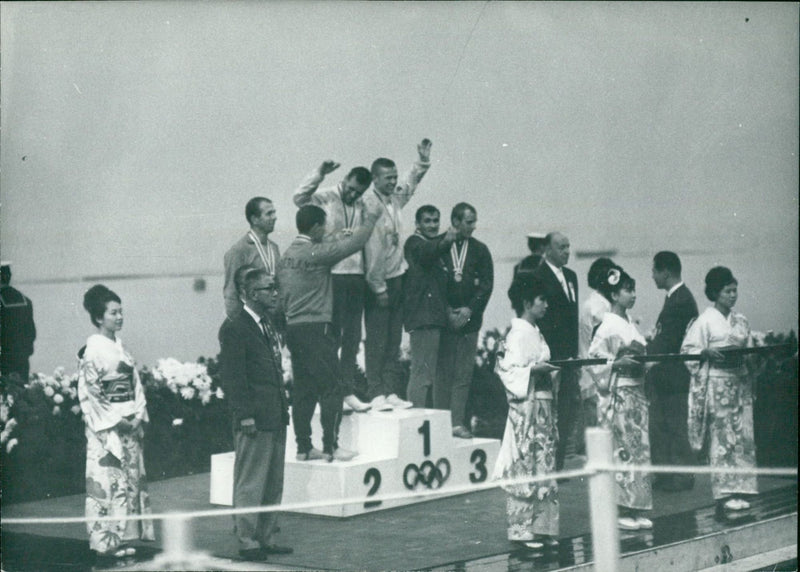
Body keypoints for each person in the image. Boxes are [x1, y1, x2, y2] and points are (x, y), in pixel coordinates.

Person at [278, 202, 382, 461]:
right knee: (332, 387)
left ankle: (303, 448)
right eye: (323, 225)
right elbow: (353, 245)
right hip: (317, 328)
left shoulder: (287, 255)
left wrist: (334, 236)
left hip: (294, 328)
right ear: (315, 227)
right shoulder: (315, 253)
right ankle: (331, 446)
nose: (326, 229)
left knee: (303, 389)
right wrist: (369, 220)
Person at [218, 267, 292, 561]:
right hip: (255, 419)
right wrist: (245, 414)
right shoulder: (235, 327)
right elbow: (233, 377)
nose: (274, 293)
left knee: (273, 481)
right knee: (251, 481)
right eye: (267, 289)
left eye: (274, 287)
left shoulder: (267, 323)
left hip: (274, 415)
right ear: (249, 294)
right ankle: (247, 538)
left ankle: (267, 535)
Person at [77, 285, 154, 560]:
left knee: (128, 482)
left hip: (128, 421)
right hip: (107, 428)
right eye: (113, 313)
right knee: (107, 482)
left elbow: (135, 385)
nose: (119, 317)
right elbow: (90, 391)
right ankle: (104, 543)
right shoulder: (92, 350)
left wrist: (136, 415)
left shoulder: (121, 348)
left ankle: (122, 539)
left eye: (121, 311)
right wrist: (117, 420)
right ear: (99, 318)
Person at [293, 161, 373, 413]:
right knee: (331, 338)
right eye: (350, 189)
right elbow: (299, 197)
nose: (352, 195)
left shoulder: (362, 205)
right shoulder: (326, 196)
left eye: (358, 192)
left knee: (352, 338)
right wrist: (319, 173)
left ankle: (347, 391)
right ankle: (327, 392)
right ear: (346, 179)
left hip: (356, 275)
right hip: (332, 275)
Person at [363, 139, 432, 411]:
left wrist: (421, 161)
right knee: (377, 339)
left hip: (397, 276)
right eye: (387, 178)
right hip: (376, 281)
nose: (393, 182)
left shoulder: (394, 199)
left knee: (393, 339)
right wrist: (378, 288)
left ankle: (390, 390)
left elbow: (410, 183)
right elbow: (372, 251)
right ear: (374, 179)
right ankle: (375, 392)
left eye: (394, 177)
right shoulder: (368, 204)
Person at [493, 273, 561, 551]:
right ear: (526, 302)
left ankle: (543, 527)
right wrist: (534, 370)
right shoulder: (517, 334)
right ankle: (522, 530)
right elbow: (506, 371)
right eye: (541, 299)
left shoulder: (534, 332)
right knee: (525, 465)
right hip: (526, 410)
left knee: (543, 465)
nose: (545, 305)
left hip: (541, 407)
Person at [681, 266, 757, 513]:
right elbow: (688, 351)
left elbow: (750, 348)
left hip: (739, 382)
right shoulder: (704, 322)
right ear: (715, 293)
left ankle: (742, 488)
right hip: (717, 383)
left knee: (742, 438)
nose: (733, 295)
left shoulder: (741, 320)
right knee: (722, 439)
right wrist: (704, 353)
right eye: (727, 291)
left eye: (735, 290)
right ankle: (724, 493)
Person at [588, 268, 653, 531]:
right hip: (618, 392)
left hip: (636, 392)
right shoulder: (606, 325)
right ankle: (621, 508)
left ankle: (637, 506)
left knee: (639, 450)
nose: (633, 295)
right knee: (623, 450)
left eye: (634, 289)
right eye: (628, 290)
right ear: (614, 294)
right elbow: (595, 359)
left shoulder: (630, 324)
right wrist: (617, 363)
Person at [439, 202, 494, 438]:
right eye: (469, 221)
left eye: (474, 221)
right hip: (445, 321)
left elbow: (486, 285)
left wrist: (469, 311)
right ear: (456, 221)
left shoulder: (480, 250)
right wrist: (448, 311)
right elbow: (433, 285)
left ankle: (457, 422)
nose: (473, 226)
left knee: (463, 375)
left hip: (469, 322)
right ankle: (440, 422)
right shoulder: (440, 245)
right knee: (442, 374)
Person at [648, 251, 698, 491]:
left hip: (673, 373)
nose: (652, 276)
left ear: (665, 272)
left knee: (675, 425)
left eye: (654, 271)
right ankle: (669, 472)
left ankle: (681, 475)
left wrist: (646, 352)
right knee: (666, 424)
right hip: (670, 373)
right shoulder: (679, 297)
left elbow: (668, 340)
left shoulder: (679, 301)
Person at [531, 232, 579, 470]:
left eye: (568, 246)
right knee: (549, 409)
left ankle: (559, 463)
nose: (566, 251)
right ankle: (548, 463)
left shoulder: (571, 277)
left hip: (570, 356)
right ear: (547, 250)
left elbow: (573, 317)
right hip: (551, 354)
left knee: (568, 409)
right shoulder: (538, 276)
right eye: (561, 247)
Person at [402, 205, 457, 408]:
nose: (432, 225)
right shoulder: (414, 243)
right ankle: (415, 419)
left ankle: (434, 424)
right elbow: (426, 253)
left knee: (435, 376)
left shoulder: (436, 246)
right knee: (422, 375)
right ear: (417, 224)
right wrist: (447, 239)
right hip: (423, 319)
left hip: (436, 318)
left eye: (436, 221)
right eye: (427, 221)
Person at [576, 257, 617, 456]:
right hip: (596, 370)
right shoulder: (599, 307)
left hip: (589, 369)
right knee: (597, 422)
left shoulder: (593, 303)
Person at [223, 197, 280, 319]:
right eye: (269, 214)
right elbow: (231, 293)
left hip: (272, 320)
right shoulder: (238, 251)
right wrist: (238, 327)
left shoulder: (274, 248)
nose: (275, 217)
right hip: (250, 322)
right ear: (255, 219)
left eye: (274, 213)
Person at [0, 262, 36, 383]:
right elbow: (31, 333)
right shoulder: (25, 300)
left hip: (3, 362)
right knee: (21, 398)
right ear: (9, 276)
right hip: (22, 361)